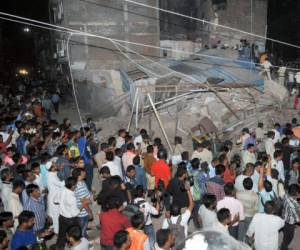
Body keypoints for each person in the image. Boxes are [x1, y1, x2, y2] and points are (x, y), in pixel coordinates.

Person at [56, 177, 89, 250]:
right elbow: (75, 213)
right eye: (76, 185)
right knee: (75, 234)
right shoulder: (72, 197)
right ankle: (77, 246)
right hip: (70, 220)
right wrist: (82, 205)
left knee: (61, 235)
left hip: (61, 217)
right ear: (73, 186)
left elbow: (55, 200)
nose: (76, 186)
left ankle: (59, 247)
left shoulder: (62, 189)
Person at [46, 157, 65, 235]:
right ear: (52, 168)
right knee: (56, 216)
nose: (56, 165)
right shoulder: (51, 177)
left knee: (57, 215)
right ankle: (57, 232)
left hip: (55, 196)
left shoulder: (52, 173)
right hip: (54, 198)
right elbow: (62, 184)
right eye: (54, 165)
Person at [72, 168, 92, 239]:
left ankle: (84, 236)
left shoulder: (82, 182)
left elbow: (86, 194)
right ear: (79, 175)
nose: (85, 173)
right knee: (81, 228)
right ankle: (82, 240)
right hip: (82, 212)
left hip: (84, 210)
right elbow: (84, 202)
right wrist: (90, 212)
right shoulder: (78, 186)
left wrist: (90, 195)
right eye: (83, 172)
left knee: (84, 227)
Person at [281, 184, 300, 250]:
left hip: (284, 219)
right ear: (297, 194)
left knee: (285, 236)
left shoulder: (286, 195)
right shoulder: (295, 204)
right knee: (289, 237)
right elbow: (297, 218)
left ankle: (284, 246)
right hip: (290, 223)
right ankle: (283, 248)